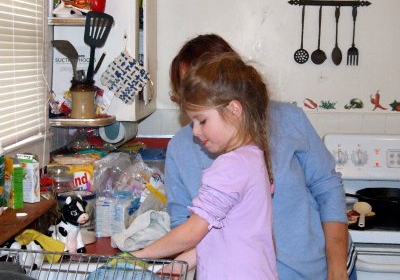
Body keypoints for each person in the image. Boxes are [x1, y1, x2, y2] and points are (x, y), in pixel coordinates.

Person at [165, 34, 357, 280]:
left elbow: (327, 187)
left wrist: (337, 268)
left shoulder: (288, 119)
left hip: (318, 270)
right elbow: (184, 224)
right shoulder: (181, 148)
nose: (200, 92)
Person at [133, 53, 278, 279]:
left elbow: (193, 232)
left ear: (234, 110)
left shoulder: (232, 165)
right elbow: (224, 235)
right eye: (192, 122)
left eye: (202, 120)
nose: (195, 131)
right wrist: (182, 263)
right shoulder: (254, 158)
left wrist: (140, 255)